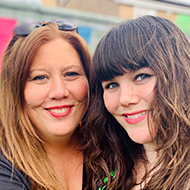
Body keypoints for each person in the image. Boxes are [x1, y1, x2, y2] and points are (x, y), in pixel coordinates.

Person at [84, 15, 190, 190]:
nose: (125, 99)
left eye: (141, 77)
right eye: (111, 85)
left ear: (180, 75)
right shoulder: (111, 164)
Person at [0, 19, 91, 190]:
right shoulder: (5, 167)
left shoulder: (111, 146)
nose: (59, 92)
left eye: (71, 74)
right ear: (14, 90)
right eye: (40, 77)